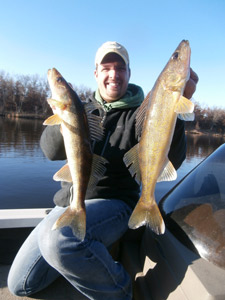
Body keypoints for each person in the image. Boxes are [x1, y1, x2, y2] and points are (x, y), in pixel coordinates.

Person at [8, 41, 198, 300]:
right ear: (96, 73)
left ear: (129, 73)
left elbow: (173, 158)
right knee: (20, 284)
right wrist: (62, 117)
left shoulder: (142, 113)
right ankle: (79, 260)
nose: (113, 74)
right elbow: (50, 152)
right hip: (69, 201)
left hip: (115, 203)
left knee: (59, 239)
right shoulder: (81, 109)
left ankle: (121, 291)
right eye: (106, 68)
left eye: (120, 68)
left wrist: (177, 106)